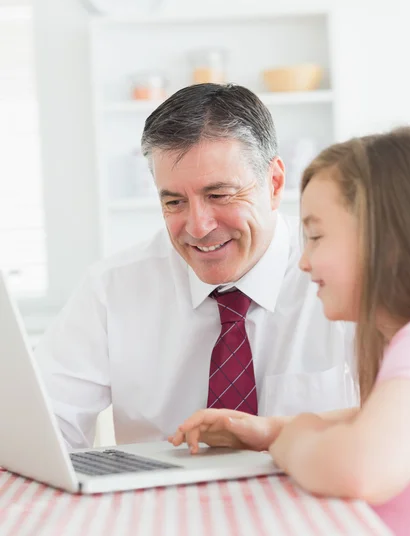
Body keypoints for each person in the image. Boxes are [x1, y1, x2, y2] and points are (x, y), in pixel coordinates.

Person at [34, 83, 356, 450]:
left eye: (218, 195)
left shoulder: (345, 275)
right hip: (157, 505)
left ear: (275, 183)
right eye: (174, 202)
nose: (198, 226)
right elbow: (43, 427)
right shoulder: (113, 289)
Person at [170, 126, 410, 536]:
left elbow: (361, 468)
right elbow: (374, 418)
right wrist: (272, 430)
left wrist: (291, 442)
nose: (304, 262)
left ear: (387, 242)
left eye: (316, 236)